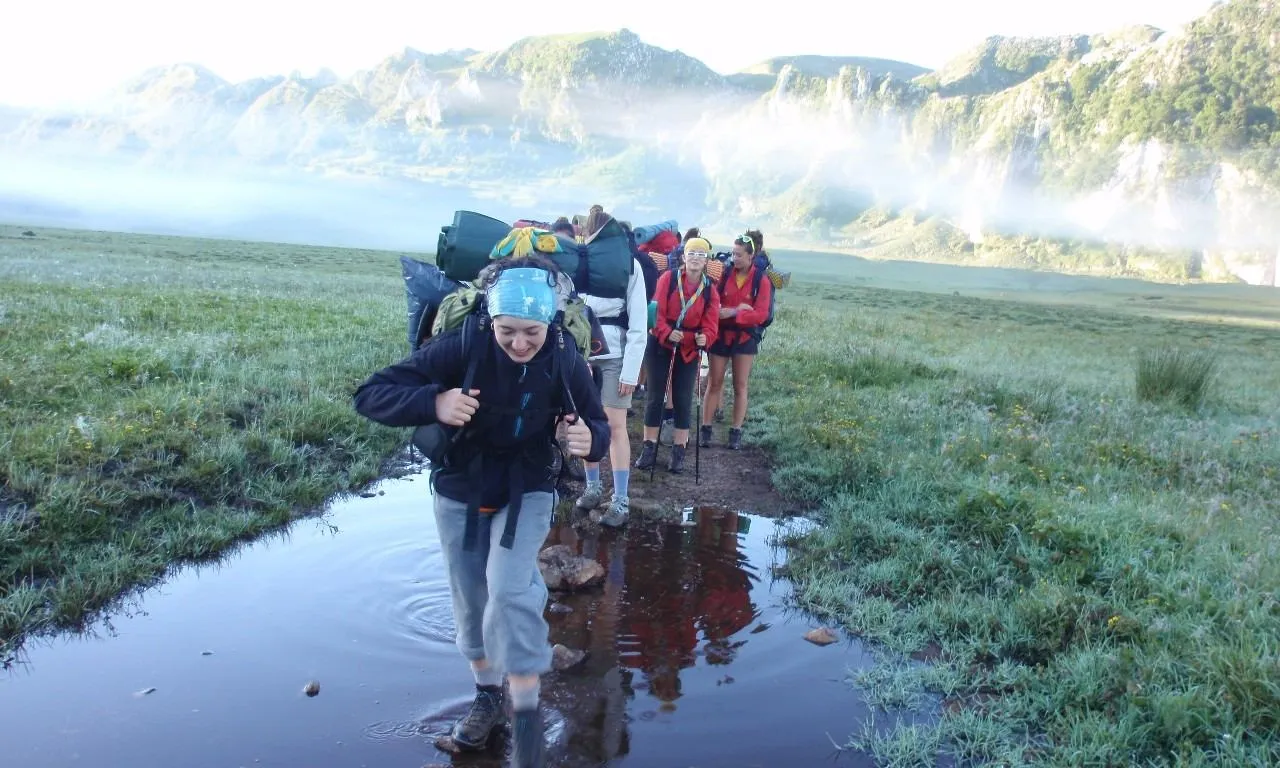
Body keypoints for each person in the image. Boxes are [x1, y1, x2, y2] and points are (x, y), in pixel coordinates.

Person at [352, 256, 610, 768]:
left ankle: (527, 707)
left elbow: (598, 426)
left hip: (527, 487)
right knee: (471, 602)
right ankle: (487, 696)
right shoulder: (463, 343)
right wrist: (435, 402)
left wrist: (590, 440)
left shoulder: (563, 354)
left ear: (550, 322)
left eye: (531, 332)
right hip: (460, 488)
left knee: (510, 588)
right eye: (506, 331)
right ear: (490, 319)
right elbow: (370, 394)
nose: (520, 344)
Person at [574, 207, 650, 527]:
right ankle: (593, 488)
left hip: (615, 356)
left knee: (615, 426)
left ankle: (620, 500)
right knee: (585, 423)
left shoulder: (630, 267)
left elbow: (639, 324)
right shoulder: (580, 264)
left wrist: (631, 372)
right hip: (585, 356)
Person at [636, 237, 720, 473]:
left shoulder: (710, 290)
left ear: (706, 260)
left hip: (689, 348)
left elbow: (711, 323)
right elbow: (656, 310)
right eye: (692, 253)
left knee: (683, 399)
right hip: (661, 343)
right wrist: (666, 332)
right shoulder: (668, 279)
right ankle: (649, 448)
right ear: (683, 256)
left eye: (701, 255)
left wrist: (706, 337)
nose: (695, 258)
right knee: (655, 397)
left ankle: (679, 451)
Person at [700, 231, 772, 451]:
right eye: (733, 254)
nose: (734, 258)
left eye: (739, 255)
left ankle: (736, 432)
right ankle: (706, 429)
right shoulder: (724, 274)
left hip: (745, 338)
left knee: (740, 385)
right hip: (721, 335)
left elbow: (761, 315)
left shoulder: (762, 280)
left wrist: (732, 313)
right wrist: (740, 310)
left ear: (751, 256)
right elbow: (713, 305)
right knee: (714, 383)